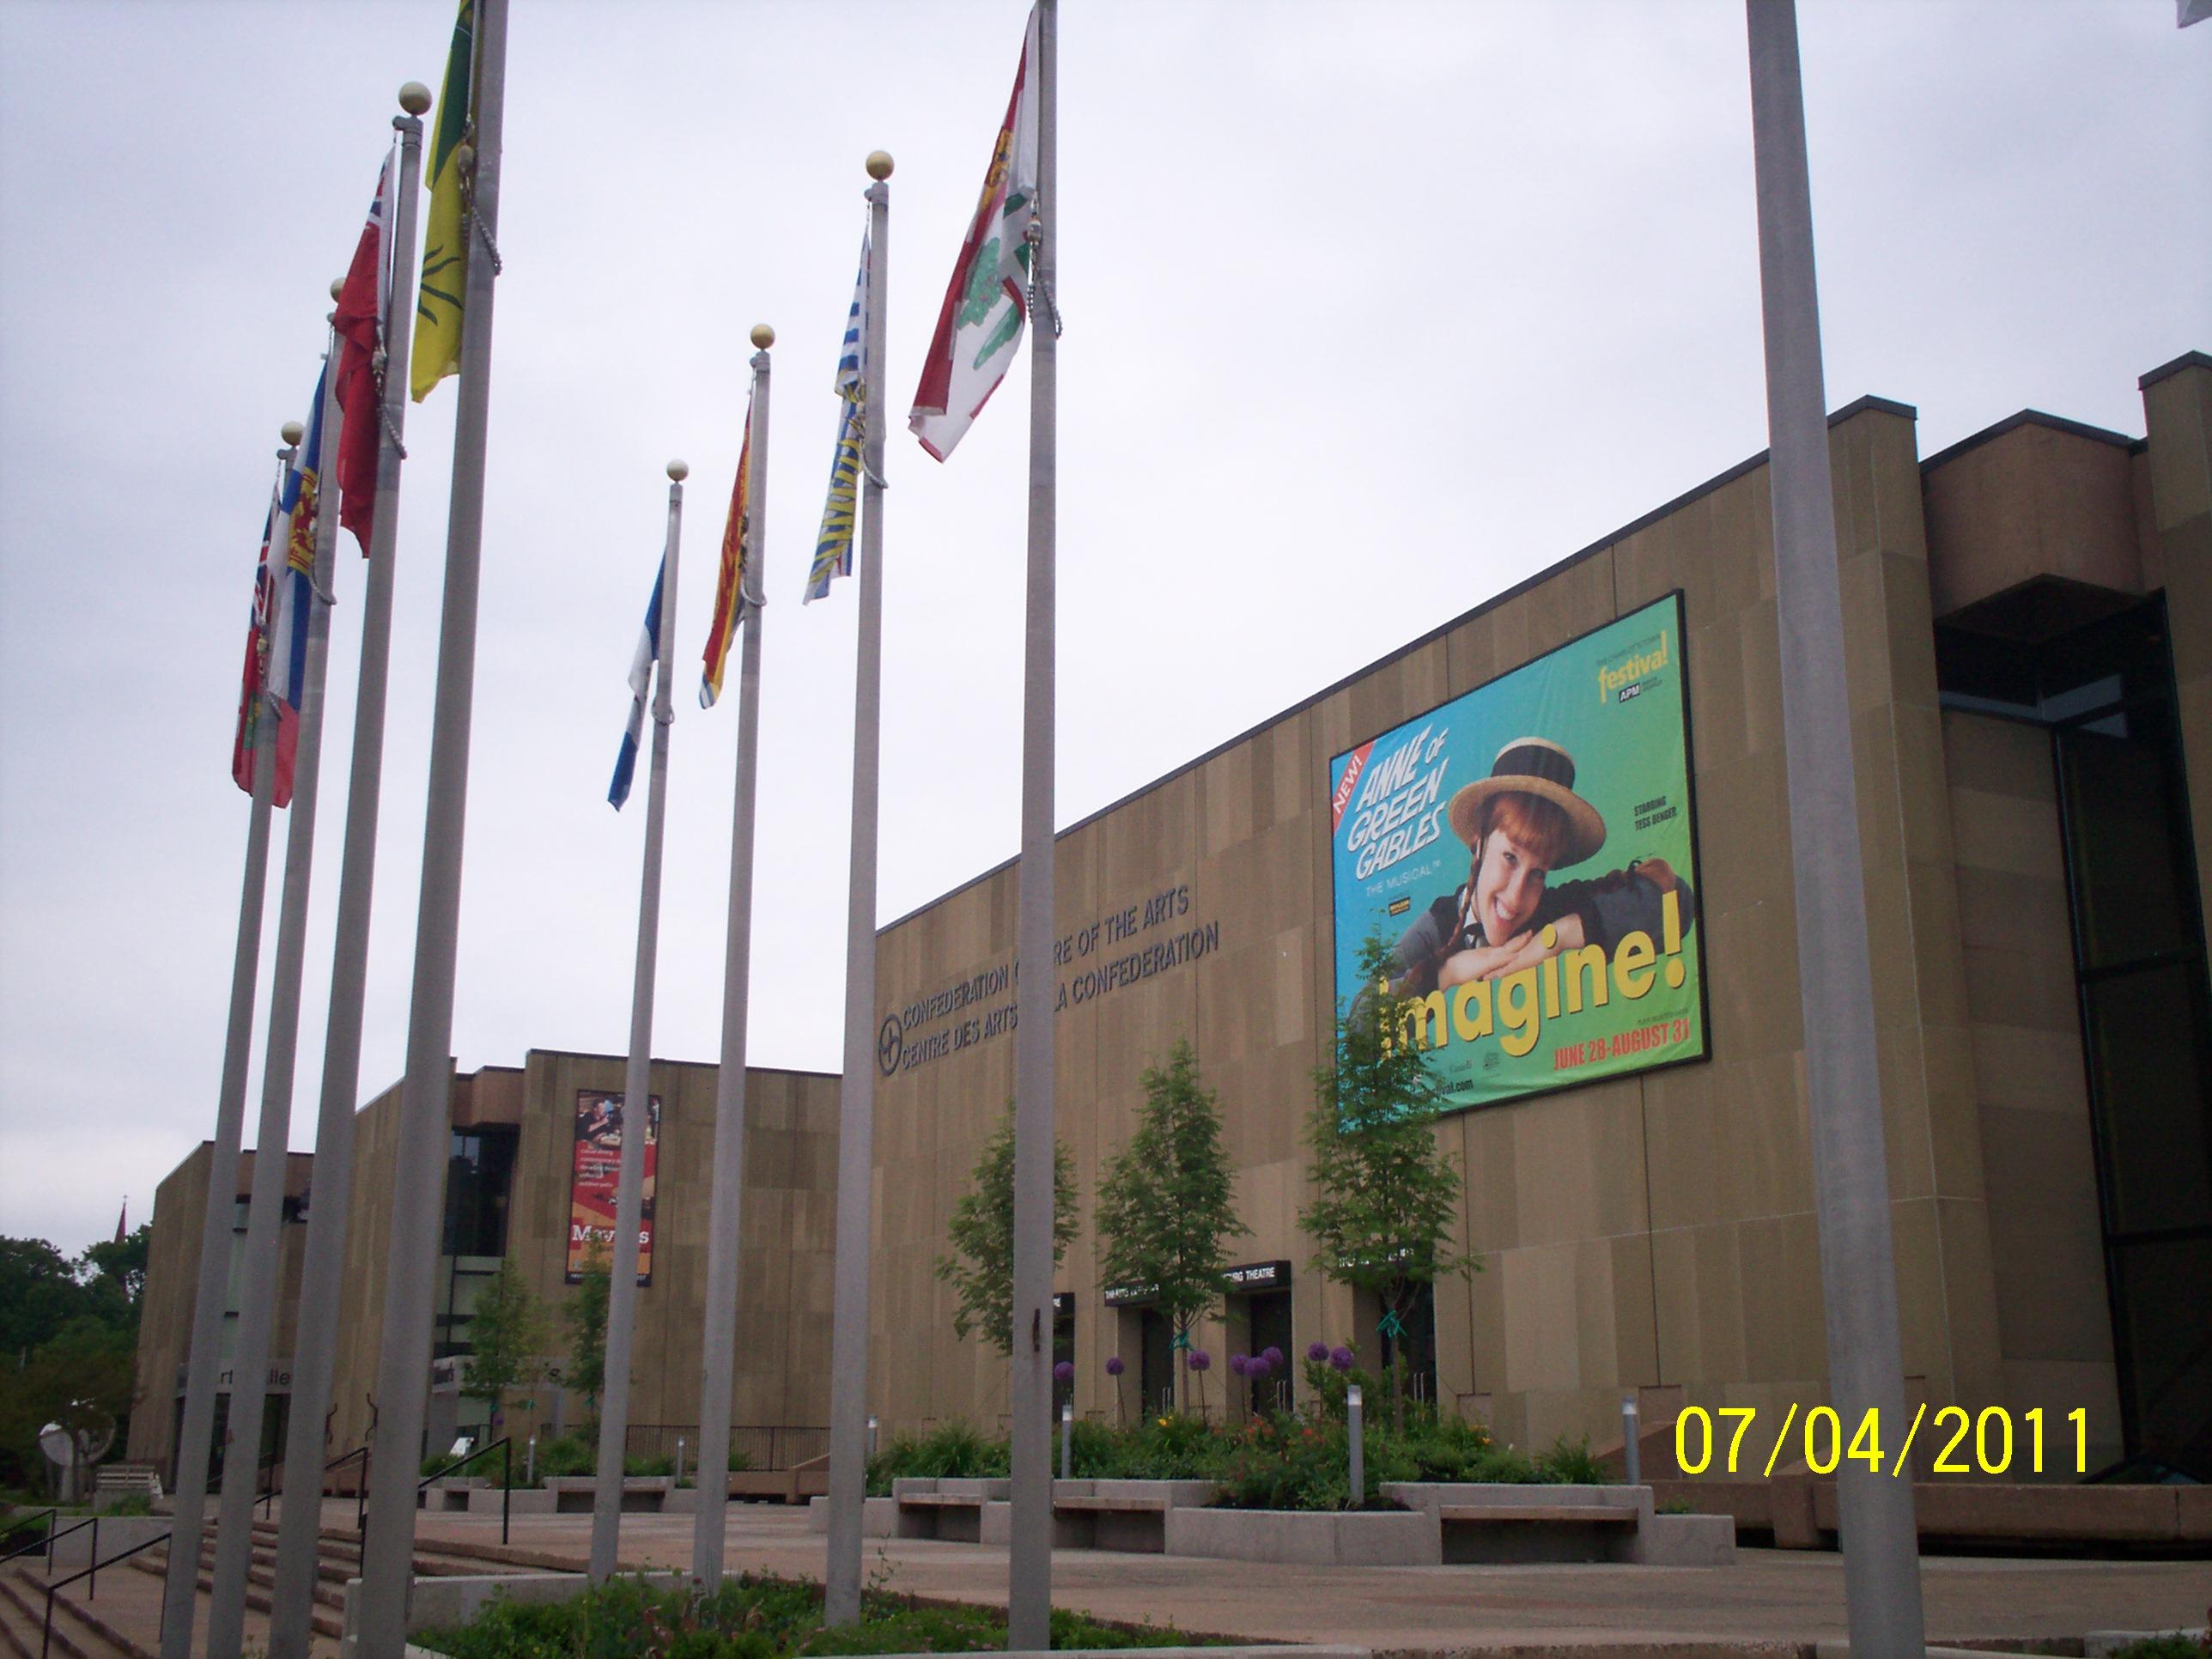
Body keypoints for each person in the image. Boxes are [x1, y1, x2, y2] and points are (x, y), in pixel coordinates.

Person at [1387, 737, 1692, 996]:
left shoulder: (1552, 911)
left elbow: (1676, 901)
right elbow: (1362, 1021)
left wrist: (1557, 938)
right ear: (1479, 845)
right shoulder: (1436, 927)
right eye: (1510, 857)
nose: (1517, 895)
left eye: (1538, 873)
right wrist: (1448, 973)